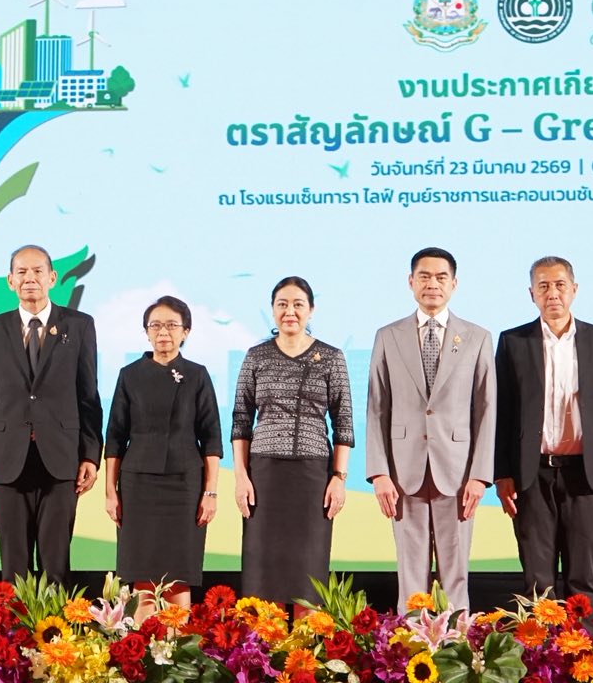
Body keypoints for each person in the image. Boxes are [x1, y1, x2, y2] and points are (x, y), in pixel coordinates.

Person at [367, 247, 496, 610]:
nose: (432, 284)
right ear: (411, 282)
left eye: (441, 277)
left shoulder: (477, 337)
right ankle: (411, 638)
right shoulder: (388, 335)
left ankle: (456, 638)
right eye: (424, 276)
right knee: (410, 570)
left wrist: (480, 475)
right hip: (403, 472)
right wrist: (379, 472)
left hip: (458, 473)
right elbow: (377, 407)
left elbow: (486, 409)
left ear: (454, 284)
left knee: (456, 571)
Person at [495, 255, 593, 607]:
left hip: (586, 472)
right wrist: (502, 473)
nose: (552, 293)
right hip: (531, 473)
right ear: (531, 294)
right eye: (543, 286)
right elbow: (502, 412)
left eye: (559, 285)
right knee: (537, 581)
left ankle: (585, 642)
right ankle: (542, 643)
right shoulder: (513, 342)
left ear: (574, 289)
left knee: (583, 577)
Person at [0, 246, 103, 584]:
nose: (29, 278)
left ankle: (55, 621)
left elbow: (88, 397)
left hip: (61, 456)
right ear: (10, 280)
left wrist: (91, 455)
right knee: (12, 563)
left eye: (37, 271)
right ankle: (12, 622)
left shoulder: (79, 325)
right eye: (21, 272)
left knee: (55, 562)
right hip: (7, 457)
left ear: (52, 278)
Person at [233, 276, 352, 607]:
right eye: (282, 304)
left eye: (298, 304)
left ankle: (305, 639)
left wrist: (339, 478)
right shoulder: (256, 356)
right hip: (264, 476)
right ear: (272, 310)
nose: (290, 311)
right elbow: (241, 420)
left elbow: (343, 422)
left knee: (307, 573)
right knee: (262, 572)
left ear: (311, 310)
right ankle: (261, 640)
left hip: (313, 477)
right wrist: (241, 477)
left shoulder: (331, 357)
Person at [104, 296, 222, 599]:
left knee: (179, 575)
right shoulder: (130, 375)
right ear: (146, 332)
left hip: (185, 485)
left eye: (171, 325)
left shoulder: (197, 375)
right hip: (138, 486)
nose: (163, 332)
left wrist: (210, 493)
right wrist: (110, 492)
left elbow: (211, 438)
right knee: (142, 576)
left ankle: (177, 632)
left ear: (185, 331)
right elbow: (115, 437)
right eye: (155, 325)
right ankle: (143, 632)